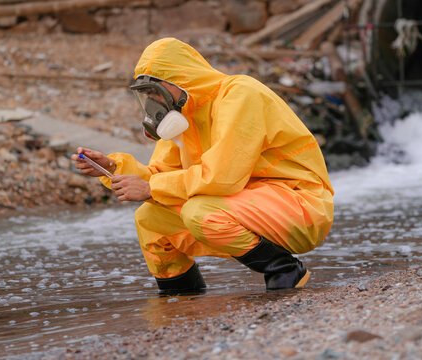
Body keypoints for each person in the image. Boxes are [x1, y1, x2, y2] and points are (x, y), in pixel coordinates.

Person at [72, 38, 334, 294]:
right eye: (146, 93)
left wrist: (151, 188)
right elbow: (162, 177)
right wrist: (114, 168)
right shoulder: (180, 116)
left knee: (200, 211)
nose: (152, 100)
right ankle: (180, 300)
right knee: (149, 219)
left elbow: (222, 178)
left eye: (155, 90)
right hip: (248, 205)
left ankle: (285, 270)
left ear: (182, 81)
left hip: (300, 206)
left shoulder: (241, 94)